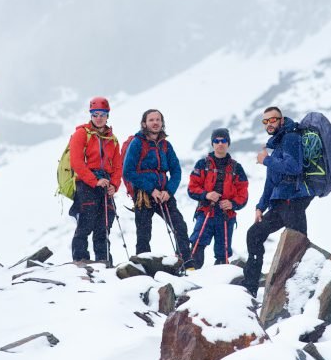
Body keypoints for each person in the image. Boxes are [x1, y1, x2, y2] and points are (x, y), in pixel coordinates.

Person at [243, 106, 312, 297]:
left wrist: (266, 160)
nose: (269, 124)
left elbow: (294, 167)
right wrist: (260, 207)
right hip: (280, 202)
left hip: (293, 200)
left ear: (281, 120)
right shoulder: (278, 143)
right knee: (254, 234)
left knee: (297, 247)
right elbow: (271, 181)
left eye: (272, 120)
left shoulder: (290, 137)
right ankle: (249, 288)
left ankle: (298, 293)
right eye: (265, 121)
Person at [123, 109, 193, 268]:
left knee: (179, 226)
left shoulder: (166, 145)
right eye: (151, 120)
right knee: (144, 233)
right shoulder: (137, 143)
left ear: (162, 123)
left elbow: (176, 171)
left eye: (158, 120)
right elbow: (128, 171)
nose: (155, 123)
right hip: (144, 194)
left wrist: (169, 191)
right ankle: (142, 266)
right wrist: (151, 190)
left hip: (164, 193)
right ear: (144, 123)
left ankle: (187, 262)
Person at [68, 97, 122, 263]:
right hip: (86, 184)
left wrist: (114, 185)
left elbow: (118, 166)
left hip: (105, 184)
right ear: (91, 115)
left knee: (103, 225)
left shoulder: (112, 139)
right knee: (85, 222)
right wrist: (94, 181)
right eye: (95, 114)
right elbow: (76, 162)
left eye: (102, 114)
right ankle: (81, 259)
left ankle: (103, 260)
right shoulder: (81, 134)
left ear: (107, 116)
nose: (99, 118)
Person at [187, 128, 248, 269]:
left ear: (228, 143)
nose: (220, 144)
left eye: (223, 141)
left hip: (226, 215)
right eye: (217, 141)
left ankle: (221, 282)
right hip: (206, 211)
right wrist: (206, 195)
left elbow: (243, 193)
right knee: (197, 244)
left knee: (223, 252)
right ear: (212, 143)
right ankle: (191, 275)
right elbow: (192, 188)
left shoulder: (237, 168)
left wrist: (232, 204)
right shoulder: (202, 164)